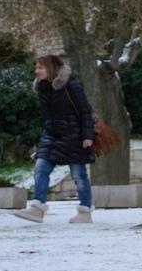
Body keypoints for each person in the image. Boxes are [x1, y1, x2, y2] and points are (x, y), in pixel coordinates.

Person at [12, 55, 96, 224]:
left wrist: (88, 135)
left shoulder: (70, 85)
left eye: (40, 68)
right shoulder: (43, 87)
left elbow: (85, 110)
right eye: (36, 68)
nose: (36, 71)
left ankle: (85, 212)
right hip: (51, 135)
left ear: (50, 68)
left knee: (79, 175)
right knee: (41, 168)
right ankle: (37, 209)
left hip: (74, 135)